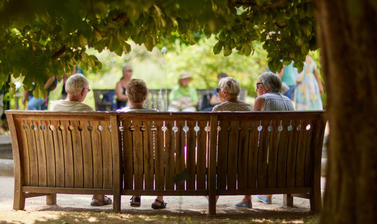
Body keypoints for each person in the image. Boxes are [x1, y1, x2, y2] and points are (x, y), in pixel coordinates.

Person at [49, 73, 112, 207]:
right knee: (104, 149)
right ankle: (98, 196)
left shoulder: (54, 108)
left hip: (56, 164)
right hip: (83, 167)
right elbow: (99, 136)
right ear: (83, 91)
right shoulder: (86, 110)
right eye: (87, 91)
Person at [235, 72, 294, 208]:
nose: (256, 90)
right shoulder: (288, 101)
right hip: (287, 151)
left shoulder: (262, 99)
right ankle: (267, 194)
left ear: (263, 86)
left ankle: (246, 198)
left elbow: (252, 127)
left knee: (245, 150)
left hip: (265, 152)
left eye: (257, 86)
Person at [116, 79, 167, 209]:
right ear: (145, 96)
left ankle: (136, 194)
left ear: (127, 95)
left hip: (125, 158)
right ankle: (159, 199)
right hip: (152, 158)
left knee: (135, 156)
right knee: (161, 156)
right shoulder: (155, 114)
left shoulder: (119, 114)